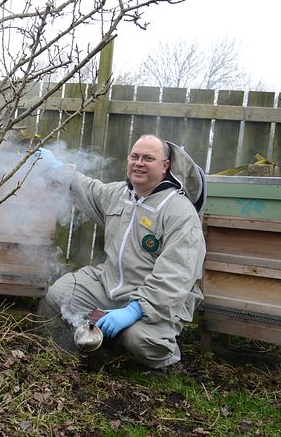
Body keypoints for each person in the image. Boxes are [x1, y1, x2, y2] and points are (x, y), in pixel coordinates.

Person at [39, 134, 206, 370]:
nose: (139, 163)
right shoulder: (119, 194)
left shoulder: (179, 211)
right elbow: (88, 189)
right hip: (110, 285)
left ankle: (167, 362)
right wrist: (56, 167)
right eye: (134, 156)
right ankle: (103, 339)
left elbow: (176, 277)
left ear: (165, 166)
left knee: (139, 339)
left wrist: (135, 310)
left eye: (148, 158)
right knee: (61, 293)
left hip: (155, 300)